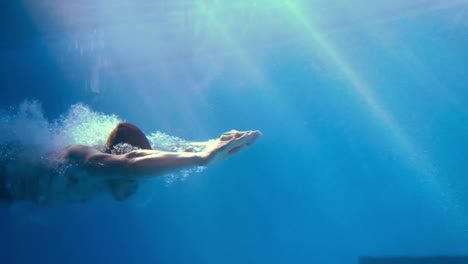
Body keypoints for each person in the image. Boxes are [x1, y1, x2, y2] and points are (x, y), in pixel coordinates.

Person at [0, 122, 261, 206]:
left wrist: (208, 143)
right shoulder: (82, 160)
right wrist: (200, 159)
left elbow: (161, 151)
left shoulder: (108, 175)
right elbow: (131, 164)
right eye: (136, 181)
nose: (138, 186)